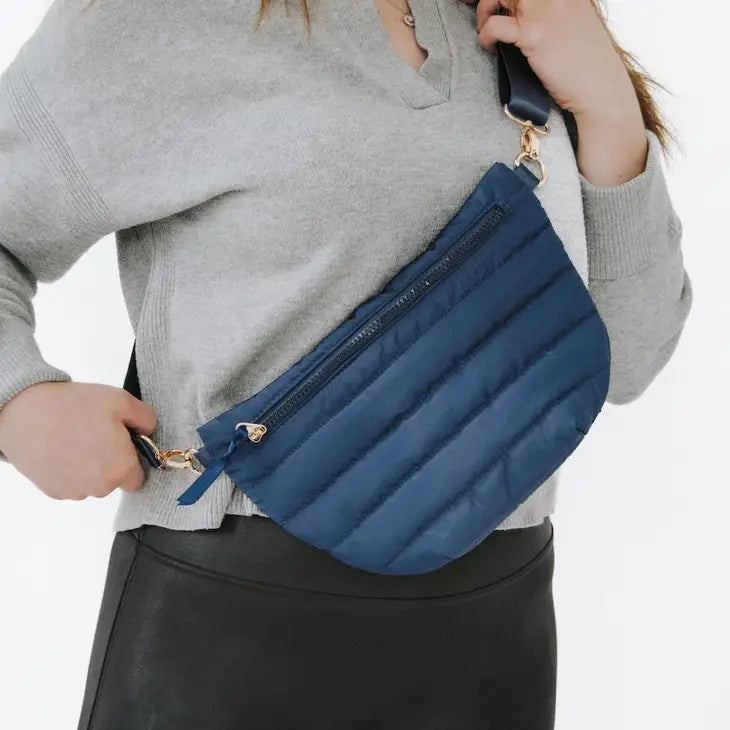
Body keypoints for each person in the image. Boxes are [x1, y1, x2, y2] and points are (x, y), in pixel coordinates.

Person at [0, 1, 693, 728]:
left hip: (497, 630)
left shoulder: (527, 21)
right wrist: (19, 400)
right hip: (232, 618)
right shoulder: (159, 19)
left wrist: (609, 107)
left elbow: (630, 356)